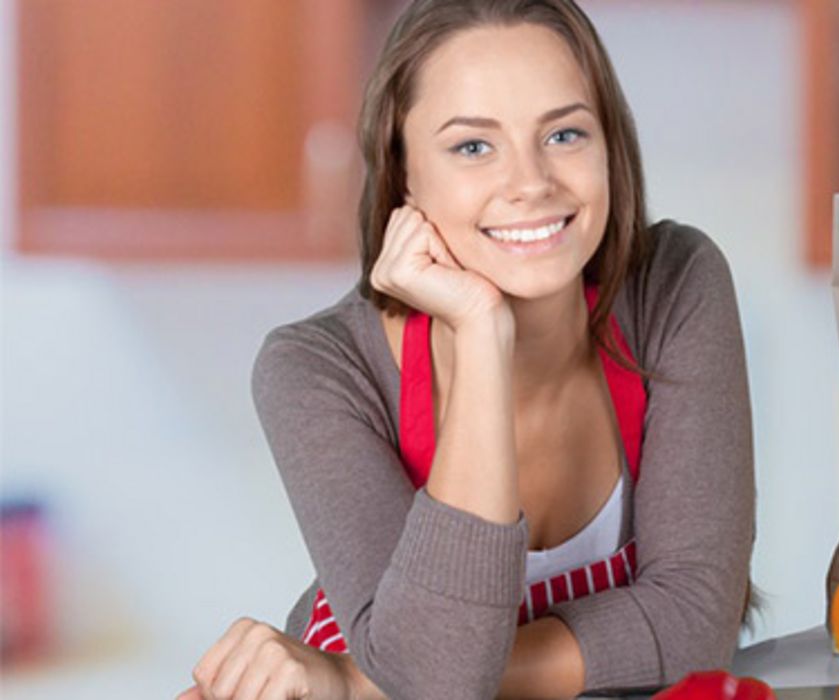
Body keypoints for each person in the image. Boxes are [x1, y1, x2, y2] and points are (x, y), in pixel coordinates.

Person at [178, 1, 755, 697]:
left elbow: (695, 622)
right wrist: (481, 332)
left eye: (565, 134)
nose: (531, 184)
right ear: (403, 173)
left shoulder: (672, 286)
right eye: (472, 147)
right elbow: (434, 675)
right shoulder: (319, 369)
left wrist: (362, 682)